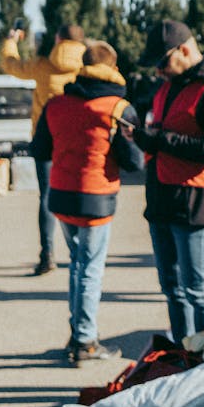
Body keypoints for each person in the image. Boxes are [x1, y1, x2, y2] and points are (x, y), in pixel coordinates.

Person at [31, 41, 144, 364]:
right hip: (96, 197)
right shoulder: (118, 108)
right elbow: (134, 161)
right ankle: (85, 340)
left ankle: (77, 332)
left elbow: (40, 149)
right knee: (90, 268)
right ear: (113, 68)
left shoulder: (56, 104)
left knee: (77, 264)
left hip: (61, 194)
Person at [132, 20, 204, 341]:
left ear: (184, 50)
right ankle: (184, 354)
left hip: (195, 203)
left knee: (197, 290)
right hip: (161, 199)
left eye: (162, 62)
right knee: (172, 289)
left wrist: (161, 140)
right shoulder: (169, 86)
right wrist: (143, 137)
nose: (159, 71)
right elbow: (165, 134)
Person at [1, 24, 86, 276]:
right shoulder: (87, 67)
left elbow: (11, 65)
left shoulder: (42, 65)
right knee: (80, 193)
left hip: (46, 140)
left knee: (47, 197)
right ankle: (80, 252)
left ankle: (47, 254)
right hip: (78, 141)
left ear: (58, 39)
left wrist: (11, 41)